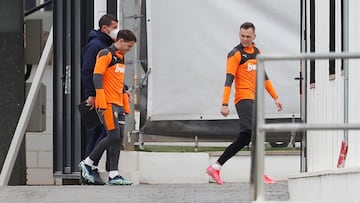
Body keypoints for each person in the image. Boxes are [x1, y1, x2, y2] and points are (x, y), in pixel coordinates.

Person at [206, 22, 283, 185]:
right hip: (243, 98)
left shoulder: (257, 52)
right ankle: (259, 174)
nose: (245, 39)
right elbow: (229, 80)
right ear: (239, 35)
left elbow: (264, 77)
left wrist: (275, 97)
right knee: (257, 132)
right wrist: (224, 103)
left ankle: (216, 166)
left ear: (254, 36)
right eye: (242, 36)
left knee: (245, 138)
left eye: (248, 36)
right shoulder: (235, 54)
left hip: (254, 99)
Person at [79, 29, 137, 185]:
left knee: (118, 138)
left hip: (118, 102)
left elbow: (115, 78)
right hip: (108, 103)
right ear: (121, 41)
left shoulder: (120, 57)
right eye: (129, 46)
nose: (130, 49)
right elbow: (97, 75)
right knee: (112, 135)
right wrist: (100, 99)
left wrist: (124, 91)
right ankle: (88, 163)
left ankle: (113, 174)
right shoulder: (105, 54)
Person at [81, 14, 119, 184]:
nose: (116, 30)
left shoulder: (105, 45)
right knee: (102, 132)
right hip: (97, 97)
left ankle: (90, 169)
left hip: (102, 95)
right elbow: (88, 70)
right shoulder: (96, 45)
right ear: (105, 28)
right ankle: (90, 168)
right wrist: (91, 94)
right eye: (114, 27)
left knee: (101, 132)